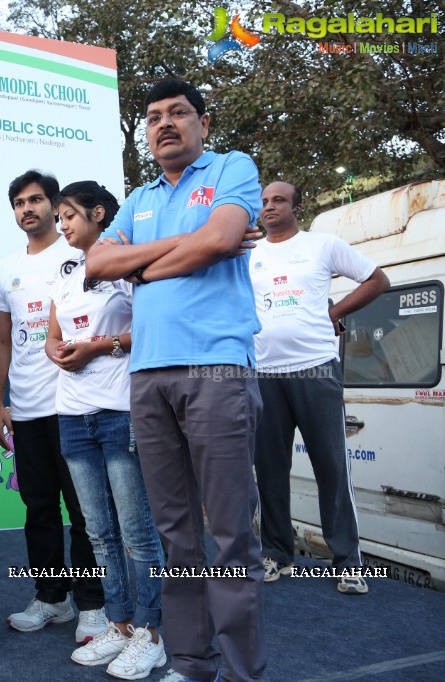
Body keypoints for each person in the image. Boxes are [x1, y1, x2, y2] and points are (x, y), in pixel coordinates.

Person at [85, 79, 266, 682]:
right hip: (147, 376)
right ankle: (191, 662)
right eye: (154, 117)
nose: (165, 124)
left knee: (229, 535)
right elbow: (97, 263)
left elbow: (220, 240)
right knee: (175, 534)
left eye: (179, 114)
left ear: (203, 123)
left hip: (215, 369)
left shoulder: (233, 167)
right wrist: (186, 249)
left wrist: (143, 265)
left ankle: (242, 671)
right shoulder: (137, 199)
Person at [47, 181, 167, 679]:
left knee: (137, 532)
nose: (63, 225)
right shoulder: (65, 273)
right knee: (98, 532)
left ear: (100, 214)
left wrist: (102, 347)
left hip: (120, 412)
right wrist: (57, 350)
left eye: (69, 215)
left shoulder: (129, 270)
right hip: (71, 415)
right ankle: (117, 625)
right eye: (60, 218)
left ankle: (151, 633)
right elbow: (53, 336)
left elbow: (155, 327)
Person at [250, 181, 389, 594]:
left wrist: (335, 311)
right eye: (263, 202)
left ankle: (347, 562)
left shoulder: (323, 245)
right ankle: (276, 554)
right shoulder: (249, 255)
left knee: (331, 467)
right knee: (270, 472)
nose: (269, 207)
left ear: (297, 206)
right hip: (263, 374)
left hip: (315, 369)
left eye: (278, 200)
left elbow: (377, 280)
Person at [0, 170, 108, 644]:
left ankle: (93, 604)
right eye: (18, 202)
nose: (27, 209)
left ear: (55, 206)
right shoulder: (4, 270)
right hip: (29, 408)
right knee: (37, 509)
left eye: (36, 200)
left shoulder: (80, 254)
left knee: (84, 513)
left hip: (77, 405)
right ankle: (51, 597)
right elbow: (0, 339)